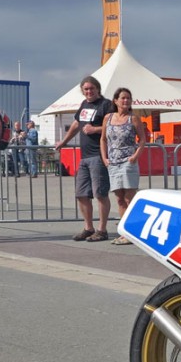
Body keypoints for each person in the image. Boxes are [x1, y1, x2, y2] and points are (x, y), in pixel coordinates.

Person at [55, 76, 116, 242]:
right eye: (86, 89)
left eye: (91, 88)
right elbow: (76, 124)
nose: (89, 91)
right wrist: (64, 141)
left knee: (100, 194)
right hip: (84, 157)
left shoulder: (106, 105)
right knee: (81, 194)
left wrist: (95, 129)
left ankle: (102, 230)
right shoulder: (84, 105)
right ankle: (88, 228)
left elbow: (114, 125)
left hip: (99, 155)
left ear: (98, 89)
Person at [100, 87, 147, 245]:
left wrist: (135, 156)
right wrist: (104, 158)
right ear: (115, 101)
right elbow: (103, 139)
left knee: (129, 197)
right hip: (113, 163)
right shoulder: (108, 117)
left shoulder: (133, 118)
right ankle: (125, 231)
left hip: (128, 162)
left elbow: (142, 139)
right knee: (119, 198)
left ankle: (134, 231)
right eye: (123, 98)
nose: (125, 101)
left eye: (128, 98)